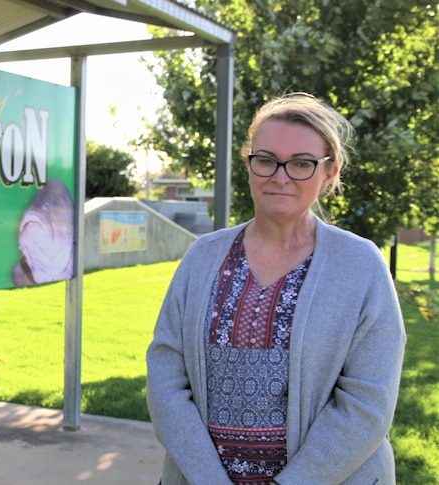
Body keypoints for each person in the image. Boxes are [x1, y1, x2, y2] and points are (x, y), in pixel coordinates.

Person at [145, 92, 406, 485]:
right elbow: (166, 375)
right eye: (266, 160)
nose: (280, 176)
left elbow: (368, 402)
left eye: (301, 163)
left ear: (329, 172)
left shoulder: (362, 265)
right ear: (249, 163)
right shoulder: (203, 257)